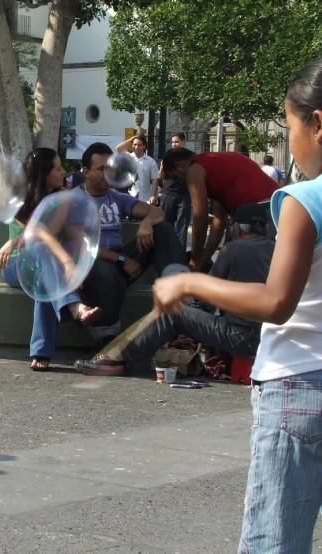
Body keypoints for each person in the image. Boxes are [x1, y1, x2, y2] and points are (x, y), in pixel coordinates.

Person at [152, 58, 322, 554]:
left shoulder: (304, 199)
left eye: (289, 126)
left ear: (317, 123)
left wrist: (190, 284)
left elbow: (275, 301)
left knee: (276, 542)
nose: (291, 141)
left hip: (298, 385)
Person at [75, 202, 274, 374]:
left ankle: (119, 360)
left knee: (172, 312)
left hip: (240, 337)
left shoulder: (233, 249)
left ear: (237, 228)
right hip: (271, 338)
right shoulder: (276, 249)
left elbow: (207, 297)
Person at [0, 148, 100, 370]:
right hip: (16, 264)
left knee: (44, 281)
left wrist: (78, 265)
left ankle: (41, 352)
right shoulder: (18, 196)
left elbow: (74, 234)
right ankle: (74, 308)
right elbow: (39, 233)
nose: (64, 172)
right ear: (44, 173)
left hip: (47, 266)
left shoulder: (61, 197)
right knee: (42, 250)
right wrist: (68, 264)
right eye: (59, 168)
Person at [77, 142, 188, 344]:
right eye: (101, 169)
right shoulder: (73, 199)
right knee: (108, 274)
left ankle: (180, 295)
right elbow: (79, 245)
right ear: (86, 172)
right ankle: (107, 339)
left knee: (162, 229)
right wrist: (121, 259)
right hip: (91, 265)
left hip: (120, 261)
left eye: (110, 168)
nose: (107, 174)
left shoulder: (117, 197)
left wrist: (147, 222)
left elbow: (158, 212)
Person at [161, 147, 279, 271]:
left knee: (241, 268)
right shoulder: (216, 165)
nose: (180, 182)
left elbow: (200, 217)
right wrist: (204, 258)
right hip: (277, 205)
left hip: (253, 213)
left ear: (179, 165)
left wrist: (195, 259)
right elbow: (219, 221)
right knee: (267, 268)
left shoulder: (194, 169)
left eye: (175, 178)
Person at [157, 132, 193, 251]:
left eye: (177, 142)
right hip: (168, 194)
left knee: (181, 226)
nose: (174, 144)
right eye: (172, 142)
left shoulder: (190, 158)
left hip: (184, 195)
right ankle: (163, 251)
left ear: (184, 142)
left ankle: (179, 253)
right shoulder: (167, 156)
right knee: (165, 224)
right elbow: (160, 176)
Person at [116, 134, 160, 204]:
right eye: (135, 144)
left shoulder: (150, 161)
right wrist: (131, 139)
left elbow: (155, 179)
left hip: (145, 198)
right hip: (129, 198)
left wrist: (153, 196)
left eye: (139, 145)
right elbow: (118, 149)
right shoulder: (128, 158)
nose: (136, 147)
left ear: (144, 146)